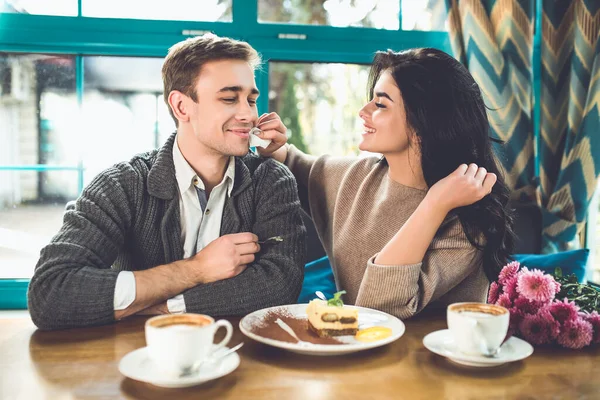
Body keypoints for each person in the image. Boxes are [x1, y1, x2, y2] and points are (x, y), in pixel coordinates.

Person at [28, 34, 307, 330]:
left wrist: (162, 306)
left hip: (238, 358)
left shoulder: (271, 180)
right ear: (181, 106)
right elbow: (50, 293)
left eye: (251, 100)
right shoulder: (121, 185)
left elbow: (279, 285)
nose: (249, 114)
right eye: (229, 98)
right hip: (137, 357)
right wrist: (196, 270)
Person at [257, 48, 514, 319]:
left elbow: (378, 309)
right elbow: (298, 167)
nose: (363, 111)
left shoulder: (469, 221)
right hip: (355, 352)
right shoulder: (352, 176)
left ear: (424, 123)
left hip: (426, 357)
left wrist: (435, 204)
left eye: (380, 104)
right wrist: (273, 146)